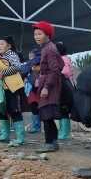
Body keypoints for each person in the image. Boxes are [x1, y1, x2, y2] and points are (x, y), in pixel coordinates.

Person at [32, 21, 63, 151]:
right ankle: (52, 142)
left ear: (48, 35)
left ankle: (50, 143)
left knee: (47, 114)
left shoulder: (49, 49)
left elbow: (55, 70)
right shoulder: (47, 48)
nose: (37, 37)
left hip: (50, 86)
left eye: (40, 34)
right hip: (48, 83)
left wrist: (46, 87)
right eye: (35, 34)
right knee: (47, 115)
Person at [0, 36, 25, 146]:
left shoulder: (11, 54)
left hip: (13, 87)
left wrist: (2, 73)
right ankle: (4, 135)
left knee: (14, 110)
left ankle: (20, 138)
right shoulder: (1, 57)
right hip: (3, 88)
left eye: (2, 44)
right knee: (2, 110)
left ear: (9, 46)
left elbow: (17, 67)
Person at [20, 48, 42, 134]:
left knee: (36, 107)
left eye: (31, 56)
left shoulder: (39, 63)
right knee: (34, 107)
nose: (30, 58)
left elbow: (23, 71)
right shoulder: (30, 64)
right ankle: (36, 126)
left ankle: (37, 126)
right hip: (32, 88)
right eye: (29, 56)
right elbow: (24, 71)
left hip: (37, 88)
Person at [56, 41, 74, 141]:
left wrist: (57, 73)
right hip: (64, 86)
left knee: (63, 109)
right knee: (62, 110)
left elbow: (66, 72)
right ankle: (63, 132)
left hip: (64, 87)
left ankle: (65, 133)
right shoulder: (64, 58)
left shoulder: (63, 59)